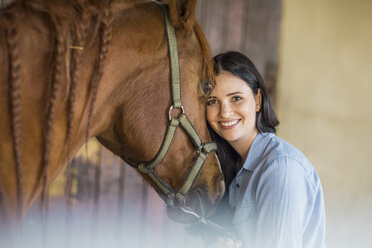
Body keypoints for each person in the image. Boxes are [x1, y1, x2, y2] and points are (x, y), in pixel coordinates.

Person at [204, 51, 326, 248]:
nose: (224, 112)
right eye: (212, 101)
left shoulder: (280, 169)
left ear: (258, 100)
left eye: (236, 98)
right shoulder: (232, 166)